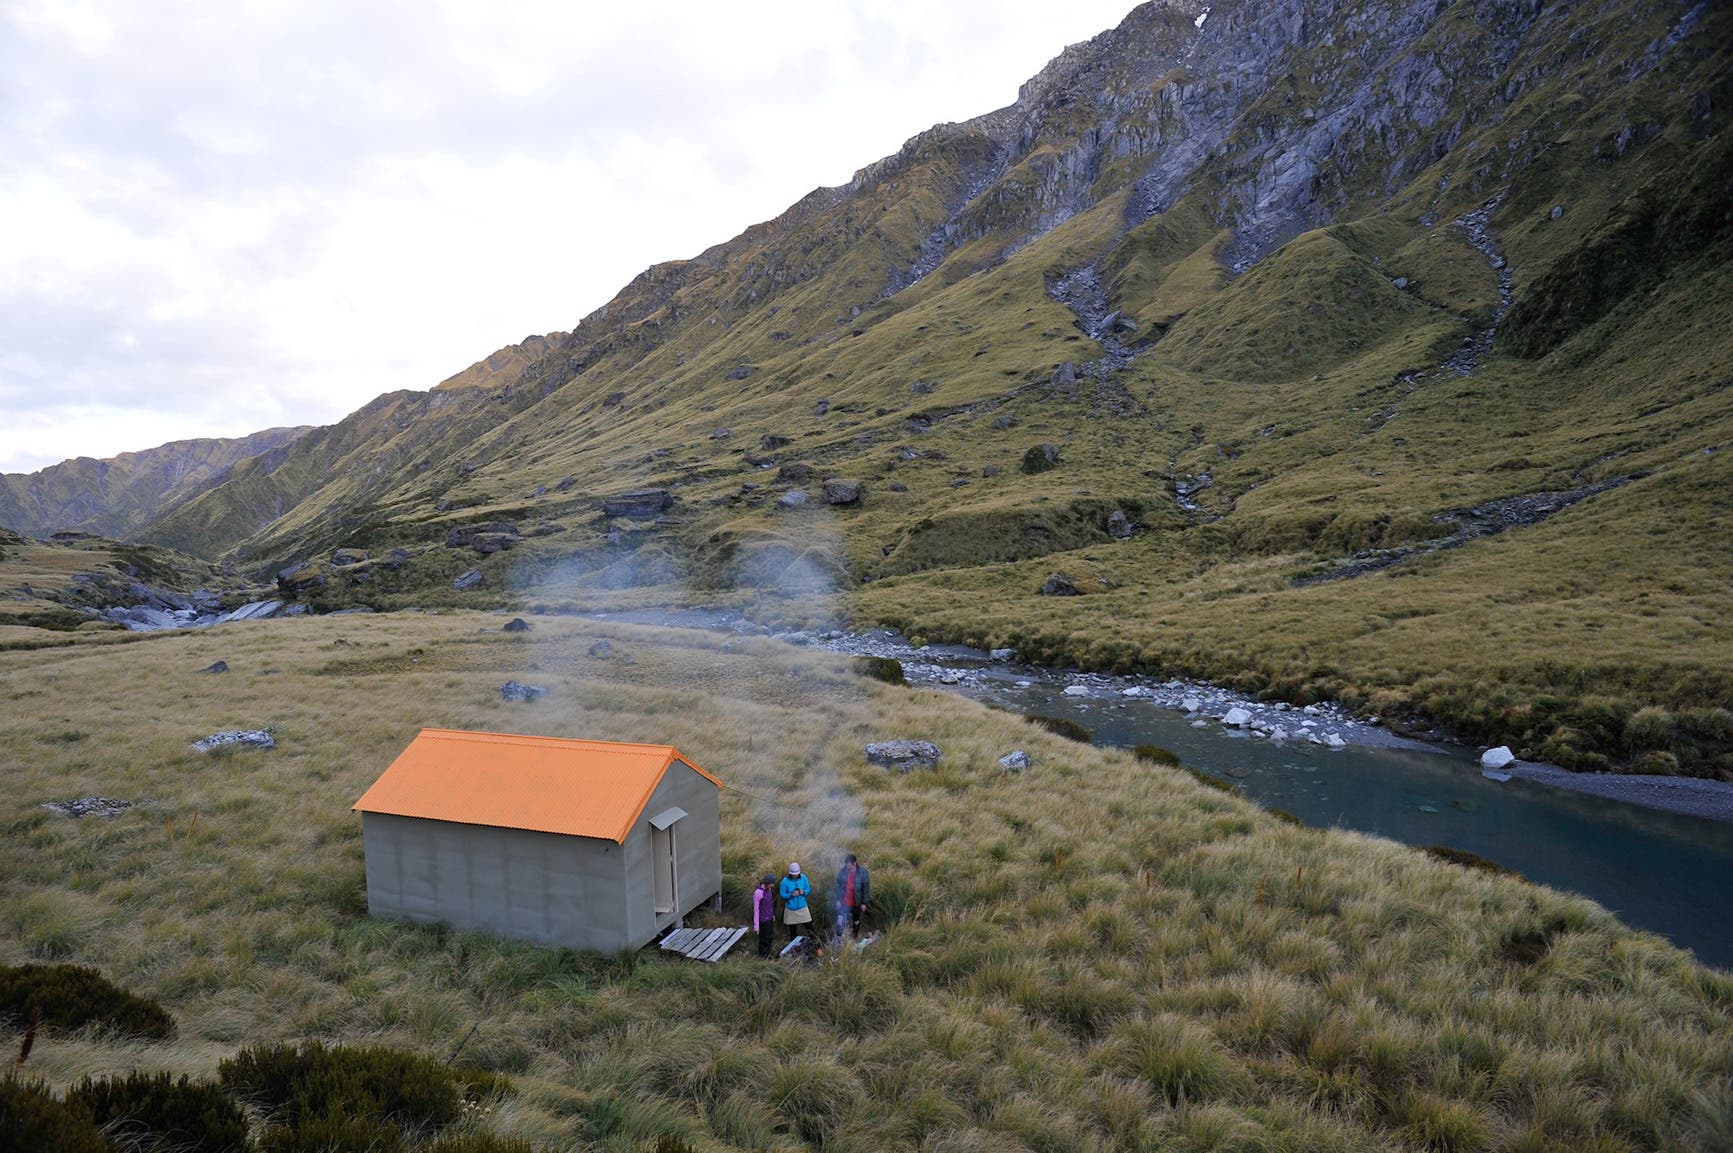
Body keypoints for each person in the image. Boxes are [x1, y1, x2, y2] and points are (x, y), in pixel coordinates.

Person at [835, 853, 870, 937]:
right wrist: (838, 900)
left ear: (854, 863)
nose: (847, 867)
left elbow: (866, 889)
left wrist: (864, 903)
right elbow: (839, 887)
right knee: (840, 920)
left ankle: (854, 936)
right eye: (846, 865)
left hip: (856, 903)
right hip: (844, 902)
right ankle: (839, 937)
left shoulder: (862, 872)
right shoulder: (843, 871)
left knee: (856, 920)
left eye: (849, 866)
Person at [778, 861, 811, 945]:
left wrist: (803, 892)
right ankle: (794, 947)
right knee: (792, 930)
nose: (795, 875)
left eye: (796, 873)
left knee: (810, 927)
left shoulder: (803, 878)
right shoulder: (784, 881)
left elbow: (808, 889)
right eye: (793, 874)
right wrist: (791, 895)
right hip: (791, 908)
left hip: (803, 907)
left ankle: (816, 944)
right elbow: (782, 894)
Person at [752, 874, 777, 958]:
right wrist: (756, 926)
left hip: (769, 918)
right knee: (764, 939)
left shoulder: (769, 890)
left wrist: (772, 914)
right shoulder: (758, 893)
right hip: (763, 920)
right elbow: (756, 910)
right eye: (771, 884)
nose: (772, 886)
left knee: (769, 937)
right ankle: (763, 956)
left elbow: (770, 904)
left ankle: (768, 953)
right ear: (767, 883)